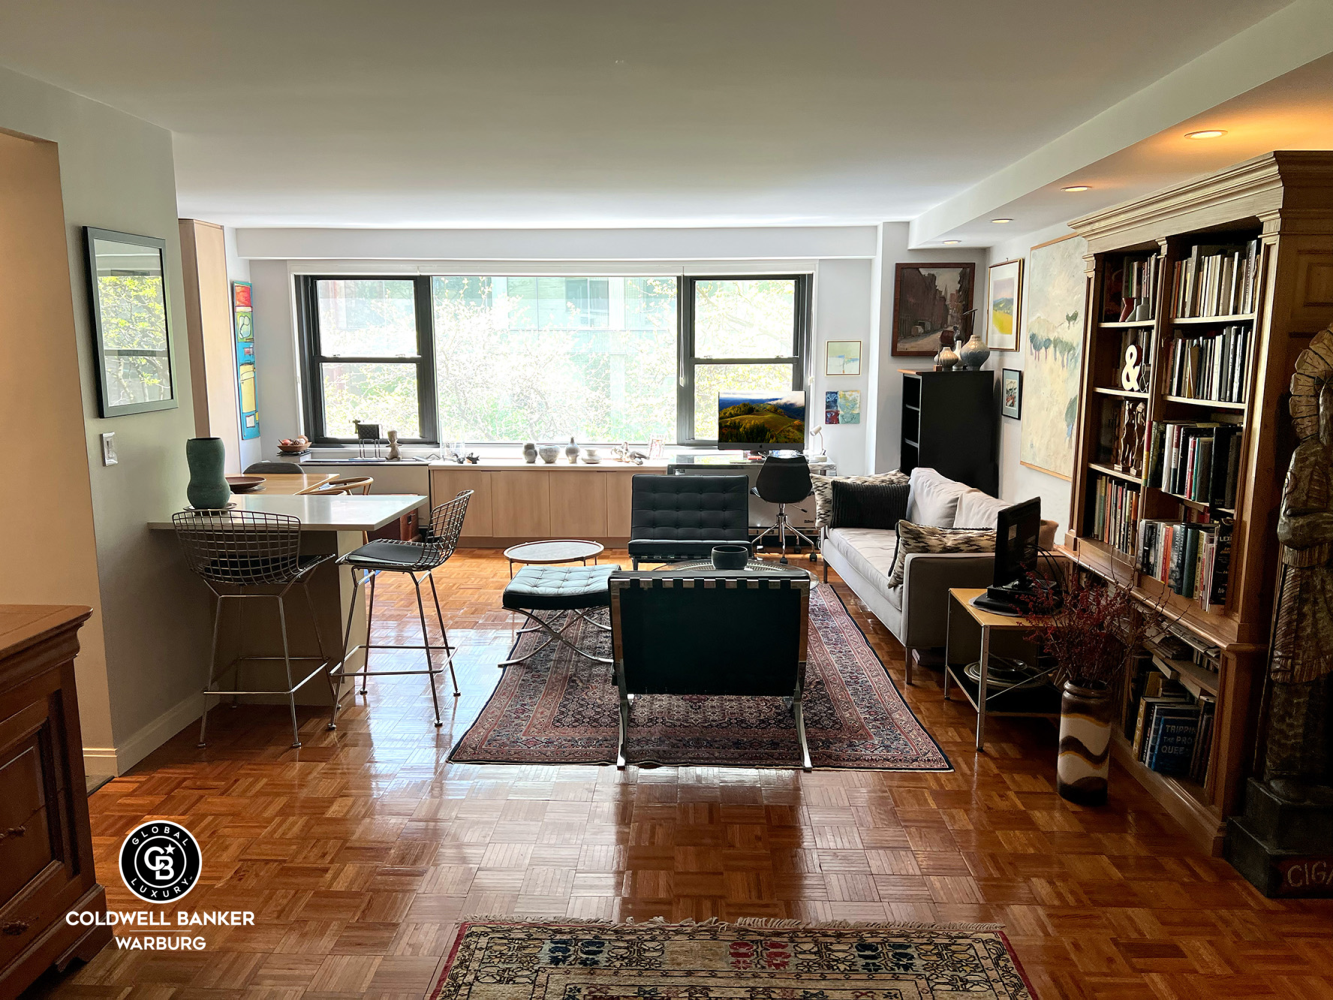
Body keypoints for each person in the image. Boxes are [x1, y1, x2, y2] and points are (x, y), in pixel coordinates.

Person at [1266, 330, 1333, 803]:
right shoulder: (1309, 458)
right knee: (1298, 682)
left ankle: (1318, 773)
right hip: (1307, 585)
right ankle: (1284, 771)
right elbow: (1288, 528)